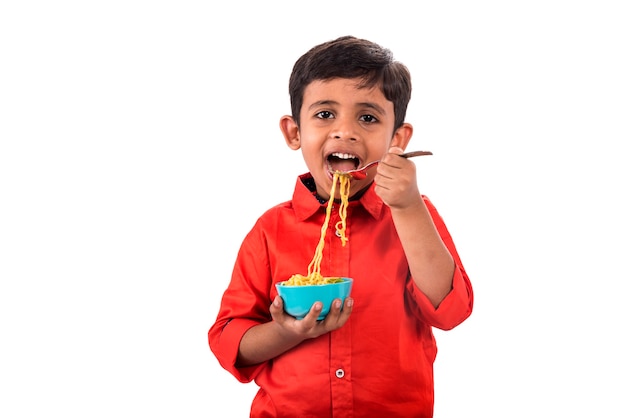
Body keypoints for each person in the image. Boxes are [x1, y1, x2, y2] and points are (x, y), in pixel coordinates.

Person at [208, 35, 473, 417]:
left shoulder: (414, 215)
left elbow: (449, 312)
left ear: (397, 139)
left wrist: (410, 206)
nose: (344, 131)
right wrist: (285, 332)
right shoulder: (269, 230)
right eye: (324, 114)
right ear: (293, 132)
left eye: (367, 118)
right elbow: (229, 341)